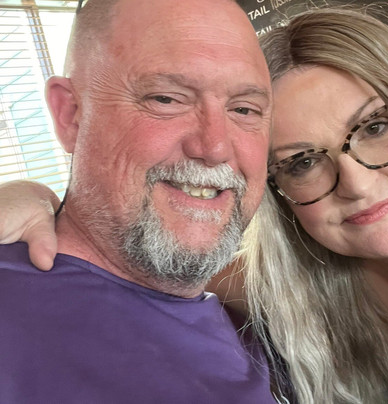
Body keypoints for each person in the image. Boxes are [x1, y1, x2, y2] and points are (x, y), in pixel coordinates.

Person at [1, 6, 388, 404]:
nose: (355, 184)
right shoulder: (274, 294)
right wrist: (33, 199)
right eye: (301, 162)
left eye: (375, 128)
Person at [0, 0, 280, 402]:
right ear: (70, 114)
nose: (215, 147)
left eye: (244, 109)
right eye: (166, 99)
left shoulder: (267, 317)